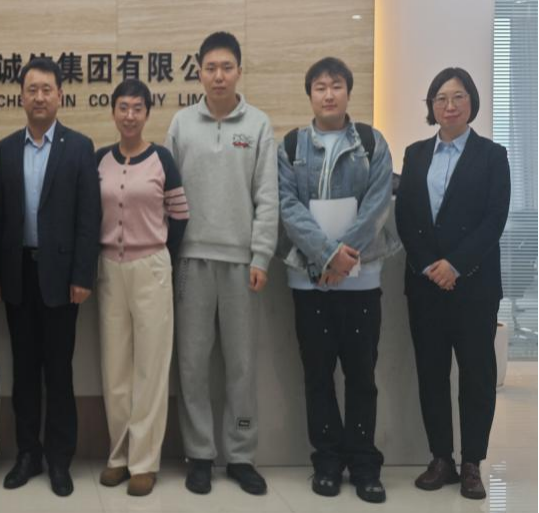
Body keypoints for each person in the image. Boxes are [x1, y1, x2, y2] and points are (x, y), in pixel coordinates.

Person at [277, 57, 398, 503]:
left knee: (362, 375)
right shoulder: (291, 145)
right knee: (318, 375)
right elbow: (287, 206)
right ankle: (326, 462)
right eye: (320, 87)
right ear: (309, 94)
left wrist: (344, 257)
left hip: (362, 281)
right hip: (309, 282)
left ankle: (365, 465)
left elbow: (377, 204)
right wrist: (326, 255)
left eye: (336, 86)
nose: (328, 94)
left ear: (349, 91)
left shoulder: (371, 142)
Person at [164, 31, 278, 496]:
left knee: (241, 365)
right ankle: (199, 454)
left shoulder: (259, 125)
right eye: (210, 68)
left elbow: (267, 196)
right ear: (199, 72)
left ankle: (241, 455)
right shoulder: (181, 124)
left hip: (240, 264)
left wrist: (261, 254)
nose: (218, 76)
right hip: (190, 261)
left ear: (239, 71)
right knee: (191, 364)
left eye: (226, 67)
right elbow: (166, 194)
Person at [395, 67, 510, 501]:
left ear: (472, 102)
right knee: (432, 373)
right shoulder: (416, 154)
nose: (449, 105)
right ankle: (440, 458)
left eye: (458, 96)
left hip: (474, 286)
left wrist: (456, 265)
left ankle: (472, 463)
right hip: (426, 285)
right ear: (431, 106)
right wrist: (430, 265)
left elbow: (494, 219)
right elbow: (407, 217)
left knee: (477, 376)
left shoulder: (492, 155)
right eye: (441, 98)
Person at [0, 57, 101, 497]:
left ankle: (59, 459)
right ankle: (27, 454)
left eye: (46, 89)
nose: (39, 97)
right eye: (32, 90)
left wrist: (83, 275)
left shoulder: (79, 147)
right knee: (24, 372)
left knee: (58, 372)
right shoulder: (5, 149)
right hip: (17, 277)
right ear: (21, 96)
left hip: (62, 280)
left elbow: (88, 219)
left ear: (60, 96)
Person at [95, 79, 188, 497]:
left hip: (151, 266)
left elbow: (180, 215)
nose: (129, 115)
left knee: (151, 367)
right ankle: (118, 455)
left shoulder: (162, 159)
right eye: (123, 107)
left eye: (137, 108)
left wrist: (161, 254)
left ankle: (144, 462)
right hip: (109, 269)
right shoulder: (99, 160)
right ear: (113, 112)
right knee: (115, 367)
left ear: (148, 113)